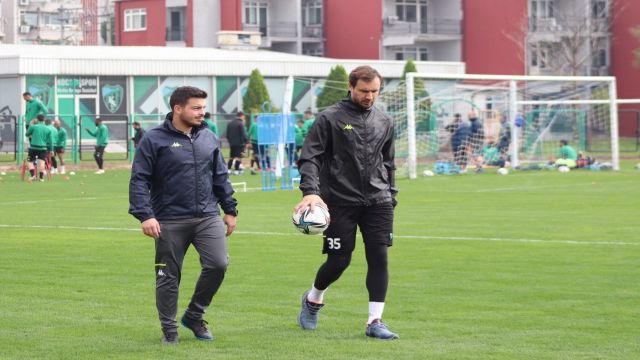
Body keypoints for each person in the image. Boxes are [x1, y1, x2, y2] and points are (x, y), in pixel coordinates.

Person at [294, 65, 399, 340]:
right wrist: (310, 191)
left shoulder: (385, 121)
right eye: (364, 91)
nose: (369, 97)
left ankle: (375, 321)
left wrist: (392, 194)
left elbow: (388, 163)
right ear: (350, 87)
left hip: (379, 200)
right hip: (339, 201)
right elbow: (310, 157)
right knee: (339, 260)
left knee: (379, 257)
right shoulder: (329, 118)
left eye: (374, 91)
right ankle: (313, 299)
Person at [129, 86, 238, 345]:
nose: (202, 112)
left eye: (203, 107)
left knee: (218, 264)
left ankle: (194, 316)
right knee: (168, 277)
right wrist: (145, 215)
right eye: (196, 107)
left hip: (207, 216)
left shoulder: (208, 137)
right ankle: (169, 330)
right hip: (168, 220)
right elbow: (139, 179)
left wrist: (230, 209)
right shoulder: (154, 139)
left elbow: (220, 176)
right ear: (178, 108)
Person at [24, 114, 50, 182]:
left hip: (34, 147)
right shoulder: (47, 128)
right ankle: (41, 178)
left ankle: (33, 175)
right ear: (44, 120)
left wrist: (31, 125)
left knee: (29, 161)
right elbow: (48, 139)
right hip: (43, 148)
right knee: (42, 162)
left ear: (37, 119)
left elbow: (26, 134)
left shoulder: (34, 127)